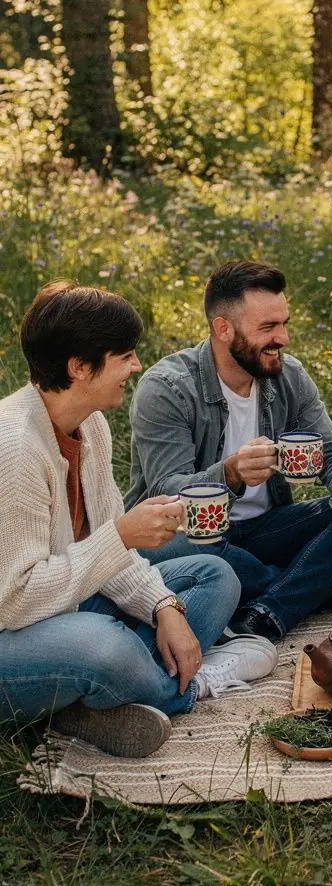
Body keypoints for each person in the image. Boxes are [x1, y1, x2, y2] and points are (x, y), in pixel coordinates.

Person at [0, 283, 276, 761]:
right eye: (124, 355)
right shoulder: (18, 450)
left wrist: (164, 607)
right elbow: (15, 600)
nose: (135, 367)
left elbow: (113, 558)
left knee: (215, 576)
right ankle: (184, 688)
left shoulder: (90, 424)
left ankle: (84, 701)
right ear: (79, 367)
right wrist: (119, 536)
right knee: (105, 648)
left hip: (64, 606)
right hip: (14, 631)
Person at [127, 260, 332, 643]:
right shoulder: (167, 388)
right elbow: (165, 493)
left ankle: (267, 604)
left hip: (265, 528)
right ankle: (311, 590)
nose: (283, 338)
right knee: (188, 548)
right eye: (268, 327)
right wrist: (231, 473)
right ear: (224, 329)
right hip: (193, 538)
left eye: (284, 323)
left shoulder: (289, 376)